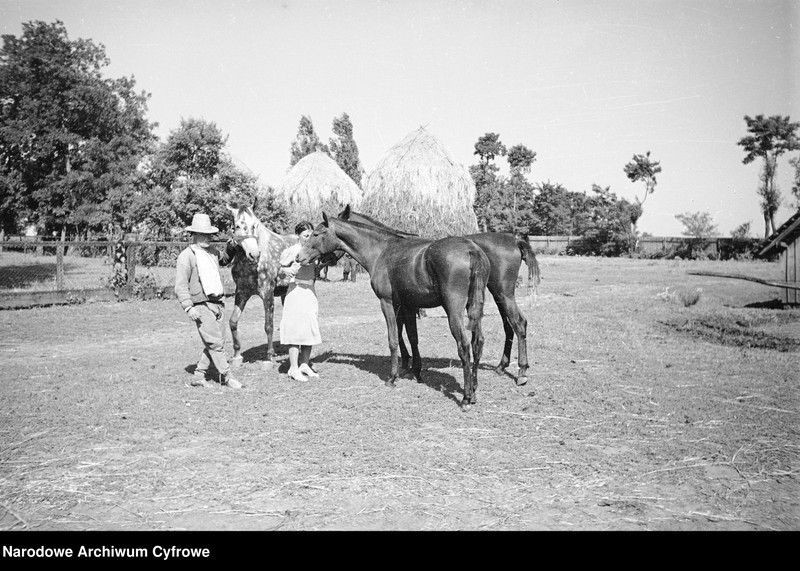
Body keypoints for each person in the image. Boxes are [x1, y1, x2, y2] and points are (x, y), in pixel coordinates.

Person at [175, 212, 242, 389]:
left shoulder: (212, 252)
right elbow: (180, 286)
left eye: (209, 234)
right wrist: (189, 308)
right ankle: (227, 377)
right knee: (215, 342)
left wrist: (232, 247)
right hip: (201, 305)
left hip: (218, 303)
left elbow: (225, 259)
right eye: (203, 234)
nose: (207, 238)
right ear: (194, 234)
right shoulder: (186, 256)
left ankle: (198, 375)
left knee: (214, 342)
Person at [279, 221, 322, 382]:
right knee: (296, 330)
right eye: (305, 235)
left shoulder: (312, 251)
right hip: (296, 292)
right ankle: (293, 368)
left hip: (310, 292)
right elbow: (280, 268)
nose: (308, 238)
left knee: (309, 327)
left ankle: (304, 364)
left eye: (310, 235)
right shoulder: (293, 250)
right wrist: (287, 270)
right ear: (298, 235)